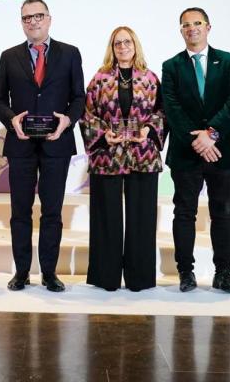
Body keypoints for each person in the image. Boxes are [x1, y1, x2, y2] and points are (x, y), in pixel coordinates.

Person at [0, 0, 86, 293]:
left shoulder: (70, 54)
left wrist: (66, 121)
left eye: (38, 16)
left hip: (56, 144)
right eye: (27, 18)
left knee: (52, 211)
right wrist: (11, 120)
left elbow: (79, 98)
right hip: (21, 145)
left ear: (49, 18)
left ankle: (49, 273)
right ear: (21, 22)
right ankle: (21, 272)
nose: (33, 22)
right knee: (20, 211)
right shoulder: (9, 56)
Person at [161, 7, 230, 294]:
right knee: (184, 213)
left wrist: (211, 135)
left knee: (222, 212)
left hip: (223, 150)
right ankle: (186, 273)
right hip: (186, 152)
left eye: (197, 23)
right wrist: (196, 140)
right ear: (181, 30)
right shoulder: (171, 66)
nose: (192, 28)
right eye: (186, 24)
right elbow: (171, 108)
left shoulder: (229, 60)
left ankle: (224, 273)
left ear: (208, 27)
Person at [79, 26, 166, 292]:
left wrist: (148, 130)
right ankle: (106, 278)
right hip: (108, 156)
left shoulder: (150, 79)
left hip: (143, 155)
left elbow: (162, 112)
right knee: (106, 218)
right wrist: (104, 135)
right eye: (118, 43)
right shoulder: (100, 79)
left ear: (135, 45)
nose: (123, 47)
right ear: (112, 48)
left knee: (142, 217)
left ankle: (139, 279)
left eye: (127, 42)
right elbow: (87, 115)